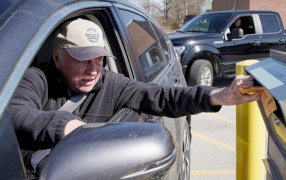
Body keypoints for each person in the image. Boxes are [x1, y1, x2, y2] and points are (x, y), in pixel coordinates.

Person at [9, 18, 262, 176]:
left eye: (99, 58)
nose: (93, 69)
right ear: (57, 57)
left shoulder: (112, 83)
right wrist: (69, 127)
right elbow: (16, 114)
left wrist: (219, 95)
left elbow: (162, 96)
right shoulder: (37, 79)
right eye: (82, 58)